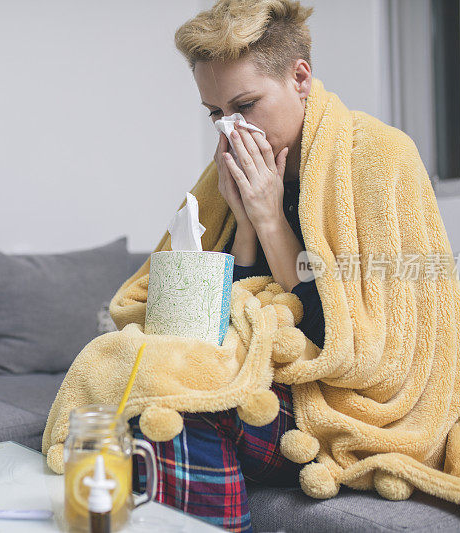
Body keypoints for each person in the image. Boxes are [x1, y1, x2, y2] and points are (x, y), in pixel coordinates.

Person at [126, 1, 326, 531]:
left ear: (299, 78)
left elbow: (342, 335)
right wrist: (242, 222)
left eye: (247, 104)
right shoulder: (226, 180)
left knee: (185, 398)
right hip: (257, 368)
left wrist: (271, 220)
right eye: (217, 114)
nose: (233, 129)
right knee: (144, 379)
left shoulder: (365, 164)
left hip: (326, 396)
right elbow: (210, 318)